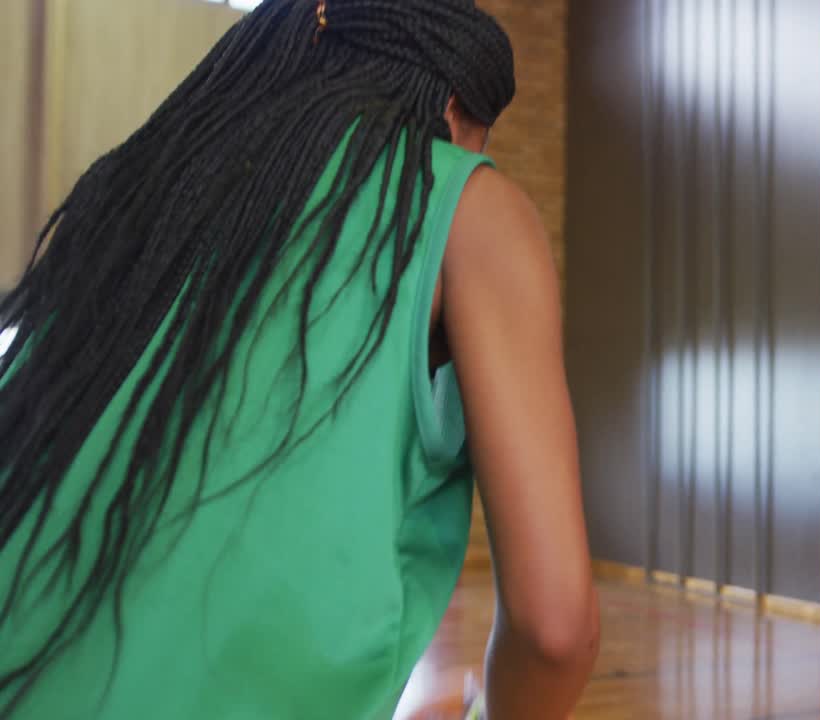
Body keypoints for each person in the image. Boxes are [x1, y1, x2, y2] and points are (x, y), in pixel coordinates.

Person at [0, 0, 598, 718]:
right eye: (473, 142)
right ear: (447, 107)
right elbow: (555, 631)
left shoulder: (152, 192)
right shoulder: (468, 206)